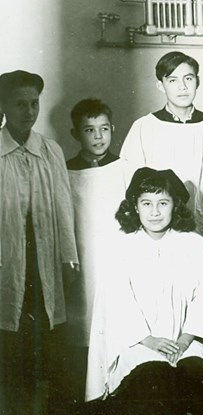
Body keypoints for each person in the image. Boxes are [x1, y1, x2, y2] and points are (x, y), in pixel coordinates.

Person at [86, 168, 203, 415]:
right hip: (138, 344)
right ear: (134, 207)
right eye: (147, 203)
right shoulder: (122, 247)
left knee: (192, 375)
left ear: (176, 206)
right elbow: (118, 303)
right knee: (157, 378)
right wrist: (151, 341)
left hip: (186, 339)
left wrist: (187, 339)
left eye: (163, 202)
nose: (155, 211)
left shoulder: (193, 243)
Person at [0, 70, 79, 415]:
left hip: (43, 267)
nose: (28, 111)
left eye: (34, 103)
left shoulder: (49, 150)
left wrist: (68, 259)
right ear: (4, 107)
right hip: (8, 268)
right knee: (10, 355)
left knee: (43, 355)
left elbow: (63, 208)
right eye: (20, 103)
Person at [120, 51, 203, 245]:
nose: (182, 87)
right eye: (172, 80)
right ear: (160, 85)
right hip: (157, 230)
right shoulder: (144, 127)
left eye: (188, 78)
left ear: (198, 81)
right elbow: (130, 184)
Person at [66, 98, 129, 346]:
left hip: (116, 252)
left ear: (112, 129)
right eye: (89, 130)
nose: (98, 136)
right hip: (83, 253)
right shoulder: (66, 171)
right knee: (84, 317)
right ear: (75, 133)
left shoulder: (124, 168)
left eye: (104, 128)